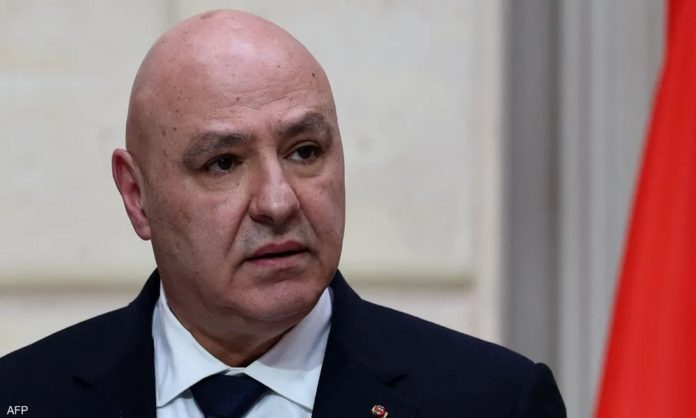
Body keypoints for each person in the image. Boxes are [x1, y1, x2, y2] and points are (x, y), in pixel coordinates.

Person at [0, 10, 566, 418]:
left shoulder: (493, 401)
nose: (278, 202)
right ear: (136, 196)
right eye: (223, 163)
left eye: (305, 152)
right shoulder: (23, 397)